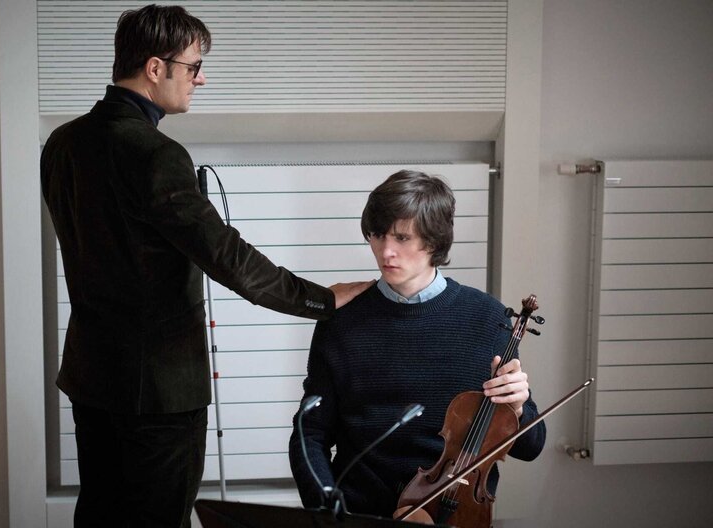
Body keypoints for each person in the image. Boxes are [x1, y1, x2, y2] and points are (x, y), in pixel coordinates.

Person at [40, 5, 372, 527]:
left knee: (100, 517)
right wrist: (322, 300)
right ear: (155, 68)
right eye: (193, 67)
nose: (201, 78)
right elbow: (229, 258)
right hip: (160, 395)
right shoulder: (156, 154)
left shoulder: (62, 144)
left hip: (92, 379)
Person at [289, 170, 546, 520]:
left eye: (402, 237)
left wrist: (517, 407)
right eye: (377, 235)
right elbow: (310, 432)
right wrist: (327, 507)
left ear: (434, 241)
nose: (386, 251)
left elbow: (531, 447)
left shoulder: (489, 319)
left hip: (454, 514)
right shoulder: (342, 320)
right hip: (358, 514)